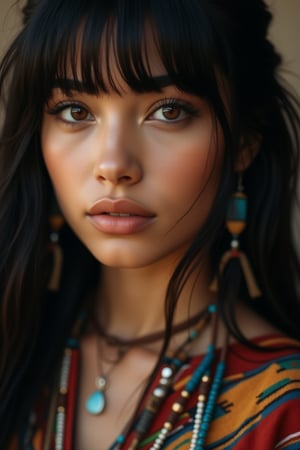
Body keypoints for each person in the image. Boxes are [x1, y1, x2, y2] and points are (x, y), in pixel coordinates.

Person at [0, 0, 300, 449]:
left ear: (244, 140)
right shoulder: (16, 351)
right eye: (76, 112)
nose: (113, 165)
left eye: (169, 111)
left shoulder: (285, 412)